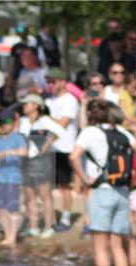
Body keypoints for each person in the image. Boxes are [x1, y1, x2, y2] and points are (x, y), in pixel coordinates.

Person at [71, 98, 136, 266]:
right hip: (122, 191)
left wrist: (84, 179)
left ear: (90, 114)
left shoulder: (89, 132)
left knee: (100, 244)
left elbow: (73, 156)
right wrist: (134, 175)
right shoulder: (121, 130)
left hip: (101, 191)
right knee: (117, 242)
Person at [20, 93, 64, 238]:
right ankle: (34, 227)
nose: (24, 106)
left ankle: (49, 226)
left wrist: (48, 143)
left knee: (45, 194)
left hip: (42, 161)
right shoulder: (24, 121)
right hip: (26, 161)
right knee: (29, 194)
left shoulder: (44, 120)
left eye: (27, 103)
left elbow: (60, 131)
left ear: (36, 106)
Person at [46, 67, 79, 231]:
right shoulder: (49, 101)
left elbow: (62, 125)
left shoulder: (70, 100)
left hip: (65, 148)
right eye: (48, 82)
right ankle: (51, 218)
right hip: (49, 149)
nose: (49, 85)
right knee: (50, 186)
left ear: (62, 82)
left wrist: (45, 116)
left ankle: (66, 218)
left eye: (52, 81)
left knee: (65, 185)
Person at [0, 110, 27, 247]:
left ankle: (12, 237)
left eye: (8, 122)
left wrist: (7, 152)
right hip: (0, 178)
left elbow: (24, 152)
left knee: (13, 209)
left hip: (14, 178)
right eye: (3, 123)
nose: (6, 125)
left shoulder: (18, 137)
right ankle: (7, 235)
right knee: (0, 209)